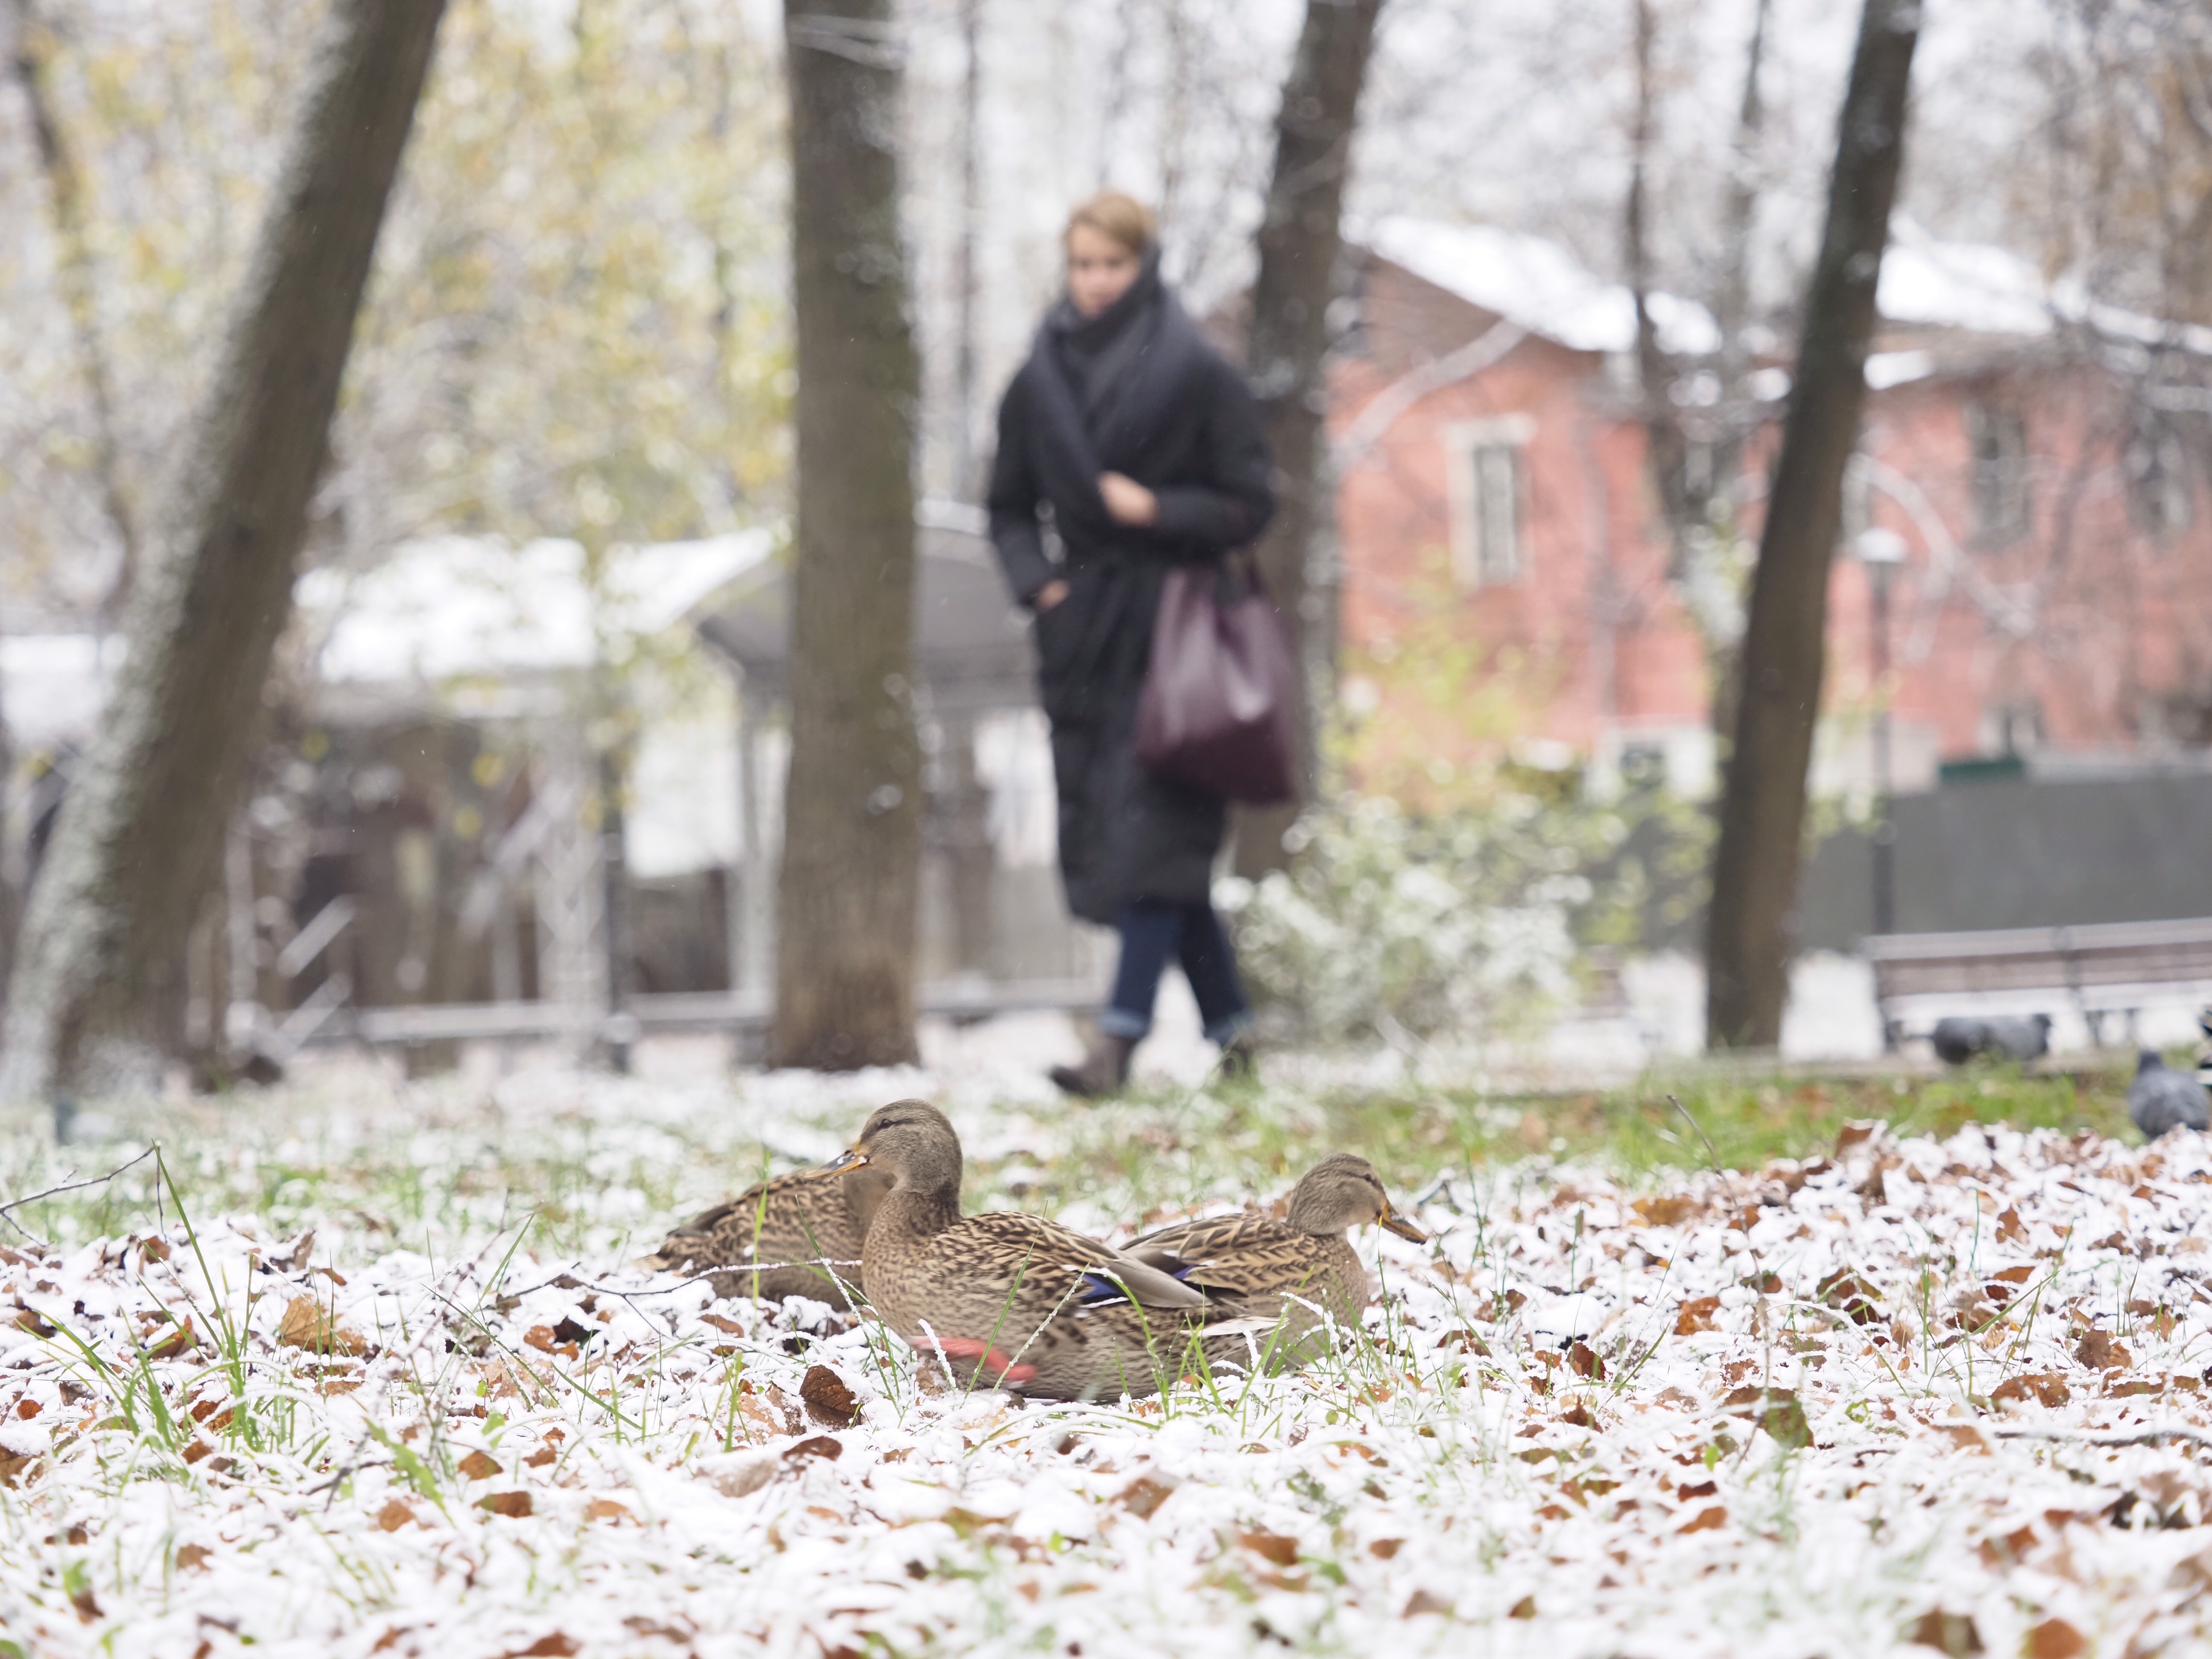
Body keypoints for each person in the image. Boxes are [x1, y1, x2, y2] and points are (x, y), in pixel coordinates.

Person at [987, 191, 1276, 1096]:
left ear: (1143, 265)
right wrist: (1045, 585)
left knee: (1157, 834)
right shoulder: (1038, 378)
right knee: (1143, 848)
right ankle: (1234, 1035)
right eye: (1082, 265)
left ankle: (1118, 1040)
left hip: (1178, 631)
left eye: (1111, 264)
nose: (1096, 282)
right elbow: (1005, 506)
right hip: (1084, 638)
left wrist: (1159, 509)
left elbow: (1252, 500)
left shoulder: (1198, 371)